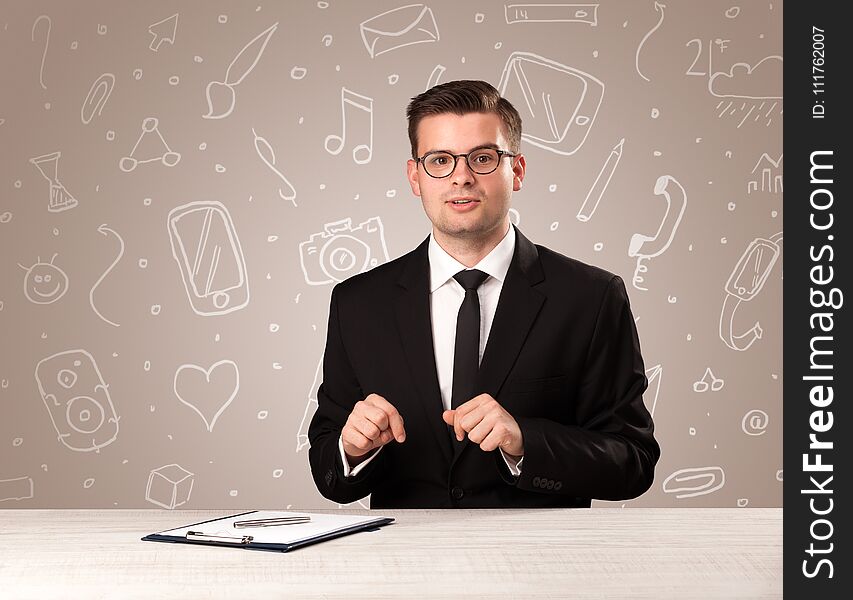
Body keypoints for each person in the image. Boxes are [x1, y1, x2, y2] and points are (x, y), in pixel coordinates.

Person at [308, 80, 659, 508]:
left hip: (542, 566)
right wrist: (352, 449)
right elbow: (328, 469)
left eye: (483, 158)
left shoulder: (592, 297)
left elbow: (634, 461)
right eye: (439, 160)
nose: (461, 176)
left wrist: (524, 442)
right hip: (403, 566)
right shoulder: (357, 304)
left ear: (518, 170)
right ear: (414, 176)